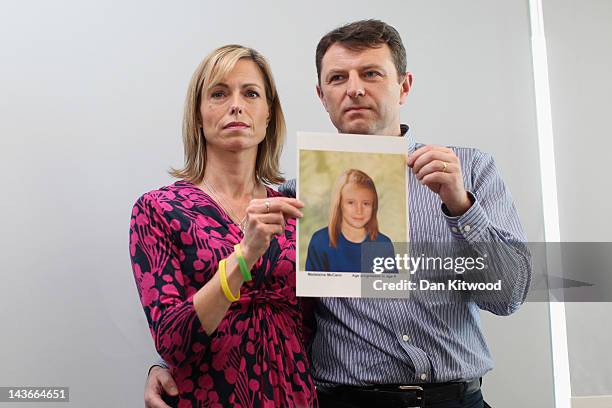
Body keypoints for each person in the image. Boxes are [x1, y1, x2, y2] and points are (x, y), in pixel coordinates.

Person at [145, 20, 531, 408]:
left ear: (404, 86)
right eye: (337, 78)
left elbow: (510, 295)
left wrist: (461, 207)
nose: (355, 88)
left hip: (455, 399)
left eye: (371, 73)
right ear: (321, 95)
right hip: (345, 400)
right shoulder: (296, 198)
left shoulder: (469, 170)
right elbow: (266, 301)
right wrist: (167, 363)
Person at [130, 44, 317, 407]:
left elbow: (324, 323)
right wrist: (243, 257)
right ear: (198, 115)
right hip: (208, 397)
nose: (236, 105)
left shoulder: (298, 208)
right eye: (219, 93)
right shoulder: (158, 209)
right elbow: (172, 340)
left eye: (251, 93)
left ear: (268, 115)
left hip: (295, 396)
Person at [305, 168, 395, 273]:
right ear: (339, 204)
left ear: (374, 206)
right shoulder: (319, 242)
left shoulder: (383, 244)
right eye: (351, 202)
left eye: (366, 203)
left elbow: (389, 287)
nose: (359, 210)